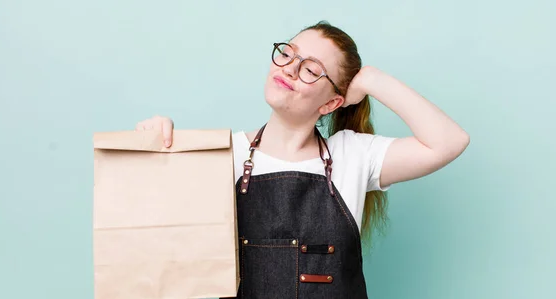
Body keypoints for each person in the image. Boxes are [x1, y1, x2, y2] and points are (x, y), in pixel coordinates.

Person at [135, 21, 469, 299]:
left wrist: (371, 80)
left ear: (331, 103)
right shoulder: (226, 154)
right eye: (287, 54)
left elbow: (449, 142)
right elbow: (156, 232)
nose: (290, 69)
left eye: (310, 69)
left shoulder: (353, 155)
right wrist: (153, 147)